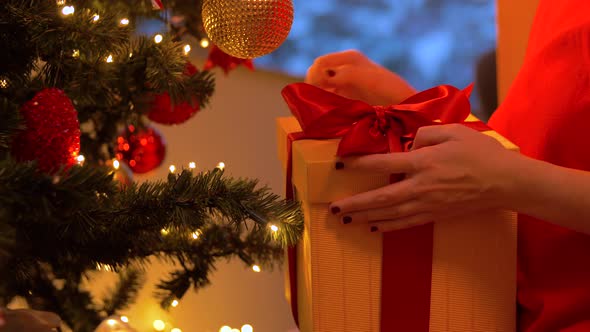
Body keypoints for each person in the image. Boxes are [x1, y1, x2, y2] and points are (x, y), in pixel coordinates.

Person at [304, 1, 590, 331]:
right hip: (507, 303)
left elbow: (513, 173)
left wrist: (510, 181)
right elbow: (542, 146)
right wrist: (417, 114)